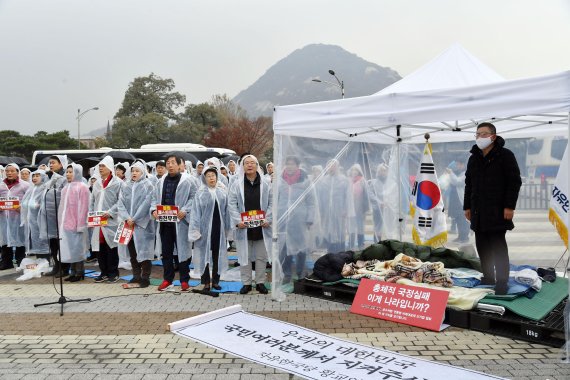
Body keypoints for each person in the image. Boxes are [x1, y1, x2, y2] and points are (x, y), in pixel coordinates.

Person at [464, 122, 522, 295]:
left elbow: (514, 182)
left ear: (493, 136)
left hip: (498, 209)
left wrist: (509, 206)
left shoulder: (505, 155)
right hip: (477, 210)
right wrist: (467, 206)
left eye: (483, 134)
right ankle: (488, 276)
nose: (479, 138)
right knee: (481, 244)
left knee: (498, 246)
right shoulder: (474, 157)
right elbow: (469, 183)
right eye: (477, 134)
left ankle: (502, 281)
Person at [151, 155, 198, 292]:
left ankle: (184, 280)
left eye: (173, 163)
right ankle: (167, 279)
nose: (170, 165)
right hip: (165, 222)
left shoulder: (188, 180)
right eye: (168, 163)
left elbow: (194, 196)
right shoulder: (160, 181)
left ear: (179, 165)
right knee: (166, 252)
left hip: (181, 222)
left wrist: (185, 210)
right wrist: (153, 210)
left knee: (183, 251)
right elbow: (154, 198)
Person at [228, 154, 272, 295]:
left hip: (261, 226)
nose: (250, 165)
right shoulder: (237, 184)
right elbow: (231, 204)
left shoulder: (266, 183)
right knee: (244, 256)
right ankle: (246, 283)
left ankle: (260, 282)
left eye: (252, 163)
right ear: (243, 166)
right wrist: (237, 221)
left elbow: (272, 203)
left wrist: (268, 218)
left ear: (257, 165)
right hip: (244, 227)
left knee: (261, 256)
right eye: (247, 163)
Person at [189, 167, 230, 291]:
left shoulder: (222, 192)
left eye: (213, 175)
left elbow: (227, 211)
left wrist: (228, 228)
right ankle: (206, 281)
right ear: (204, 178)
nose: (211, 178)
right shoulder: (200, 193)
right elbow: (195, 213)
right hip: (204, 230)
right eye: (208, 176)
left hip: (219, 228)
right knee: (204, 255)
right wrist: (195, 230)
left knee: (217, 254)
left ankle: (216, 281)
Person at [277, 156, 315, 284]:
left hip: (299, 219)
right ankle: (286, 273)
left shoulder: (305, 180)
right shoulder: (280, 180)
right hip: (283, 219)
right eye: (287, 164)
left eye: (292, 164)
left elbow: (311, 202)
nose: (289, 166)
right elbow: (274, 200)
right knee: (285, 248)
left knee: (301, 248)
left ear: (297, 165)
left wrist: (310, 218)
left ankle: (300, 273)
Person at [118, 161, 155, 288]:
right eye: (133, 170)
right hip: (129, 224)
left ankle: (145, 277)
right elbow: (120, 203)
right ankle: (136, 275)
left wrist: (135, 218)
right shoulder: (126, 185)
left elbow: (147, 204)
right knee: (132, 251)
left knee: (144, 251)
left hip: (142, 224)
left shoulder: (148, 185)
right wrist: (127, 217)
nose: (134, 173)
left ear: (143, 172)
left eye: (137, 171)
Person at [90, 156, 124, 283]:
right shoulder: (97, 183)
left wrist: (110, 212)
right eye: (99, 166)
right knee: (99, 247)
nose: (100, 168)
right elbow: (92, 200)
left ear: (110, 168)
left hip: (111, 221)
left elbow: (121, 201)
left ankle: (113, 272)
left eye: (103, 166)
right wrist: (91, 214)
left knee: (111, 247)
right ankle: (103, 271)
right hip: (98, 220)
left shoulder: (118, 183)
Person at [59, 164, 90, 282]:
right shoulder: (65, 188)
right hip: (66, 224)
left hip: (77, 224)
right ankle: (72, 272)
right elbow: (62, 208)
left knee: (78, 249)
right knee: (70, 249)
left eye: (71, 172)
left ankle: (79, 272)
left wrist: (81, 224)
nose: (68, 174)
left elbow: (84, 207)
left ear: (77, 173)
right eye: (67, 172)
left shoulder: (82, 187)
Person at [41, 155, 70, 277]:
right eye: (49, 163)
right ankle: (56, 266)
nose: (51, 165)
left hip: (61, 216)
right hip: (50, 217)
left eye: (53, 162)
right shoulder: (50, 177)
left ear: (61, 164)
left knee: (61, 243)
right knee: (53, 243)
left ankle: (64, 268)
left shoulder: (65, 178)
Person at [316, 159, 354, 253]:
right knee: (328, 231)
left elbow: (348, 196)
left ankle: (341, 252)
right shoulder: (323, 181)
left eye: (333, 166)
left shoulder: (344, 180)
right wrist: (320, 210)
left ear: (337, 167)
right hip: (327, 212)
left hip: (340, 211)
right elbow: (319, 197)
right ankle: (330, 252)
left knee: (340, 232)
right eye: (329, 166)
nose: (331, 168)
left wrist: (346, 209)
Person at [0, 164, 30, 269]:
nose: (9, 173)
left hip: (18, 218)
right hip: (4, 218)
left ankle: (20, 261)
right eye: (7, 171)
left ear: (18, 172)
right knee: (4, 240)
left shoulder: (25, 185)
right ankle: (6, 262)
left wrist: (23, 207)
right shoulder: (1, 185)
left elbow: (30, 200)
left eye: (12, 171)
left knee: (20, 239)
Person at [20, 169, 50, 260]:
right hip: (31, 221)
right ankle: (40, 262)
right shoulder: (31, 189)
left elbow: (44, 205)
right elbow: (25, 202)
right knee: (35, 242)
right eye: (33, 176)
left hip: (41, 221)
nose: (34, 178)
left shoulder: (45, 188)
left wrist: (35, 205)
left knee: (43, 243)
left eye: (37, 176)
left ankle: (46, 262)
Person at [446, 159, 469, 243]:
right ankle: (460, 236)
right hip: (456, 199)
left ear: (463, 165)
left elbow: (457, 181)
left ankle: (464, 237)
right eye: (457, 165)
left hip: (462, 199)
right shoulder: (458, 173)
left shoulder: (466, 173)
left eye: (459, 164)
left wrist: (451, 173)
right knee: (458, 218)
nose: (457, 166)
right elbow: (452, 181)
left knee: (463, 219)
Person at [348, 163, 370, 249]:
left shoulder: (362, 181)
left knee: (360, 226)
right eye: (353, 170)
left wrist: (365, 208)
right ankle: (351, 243)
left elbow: (366, 195)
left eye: (356, 170)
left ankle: (360, 243)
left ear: (359, 171)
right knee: (351, 226)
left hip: (360, 208)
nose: (354, 172)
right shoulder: (348, 180)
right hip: (350, 208)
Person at [368, 163, 388, 242]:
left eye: (384, 171)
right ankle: (377, 243)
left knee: (388, 227)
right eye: (381, 171)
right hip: (377, 208)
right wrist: (379, 202)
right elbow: (370, 194)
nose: (383, 172)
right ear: (378, 172)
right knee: (377, 226)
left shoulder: (390, 182)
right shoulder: (374, 182)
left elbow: (394, 193)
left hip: (388, 208)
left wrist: (388, 202)